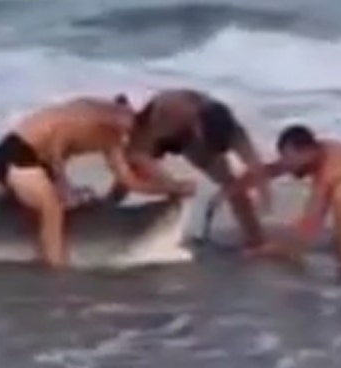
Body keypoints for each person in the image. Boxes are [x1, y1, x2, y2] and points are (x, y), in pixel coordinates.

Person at [0, 96, 196, 269]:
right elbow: (58, 140)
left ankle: (37, 238)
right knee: (52, 208)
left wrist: (173, 188)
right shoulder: (103, 120)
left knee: (74, 204)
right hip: (18, 154)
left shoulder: (116, 137)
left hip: (41, 164)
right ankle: (55, 269)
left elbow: (129, 180)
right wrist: (63, 185)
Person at [105, 89, 273, 251]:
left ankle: (255, 240)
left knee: (230, 183)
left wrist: (265, 195)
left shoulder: (233, 129)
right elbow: (139, 154)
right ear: (198, 125)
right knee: (134, 168)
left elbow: (255, 165)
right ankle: (108, 206)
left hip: (191, 138)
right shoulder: (171, 108)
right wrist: (172, 185)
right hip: (155, 126)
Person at [229, 124, 341, 281]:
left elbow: (309, 227)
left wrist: (274, 250)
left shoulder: (330, 171)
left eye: (288, 157)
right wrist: (234, 186)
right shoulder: (324, 149)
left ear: (307, 150)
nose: (288, 166)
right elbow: (276, 168)